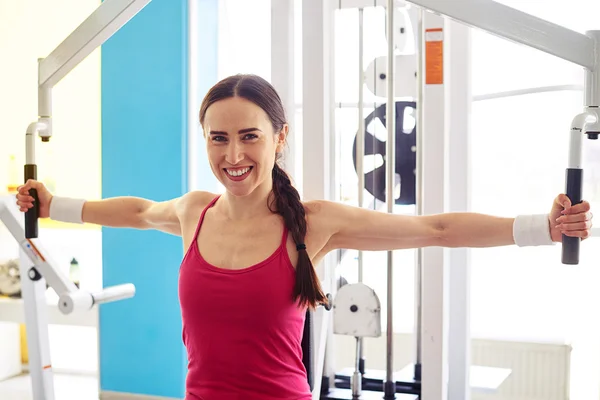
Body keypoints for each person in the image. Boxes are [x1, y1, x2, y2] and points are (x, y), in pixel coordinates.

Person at [16, 74, 593, 400]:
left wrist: (540, 229)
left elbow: (434, 228)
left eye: (249, 136)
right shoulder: (194, 211)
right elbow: (138, 210)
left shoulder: (312, 223)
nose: (233, 155)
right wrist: (57, 204)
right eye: (218, 139)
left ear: (278, 137)